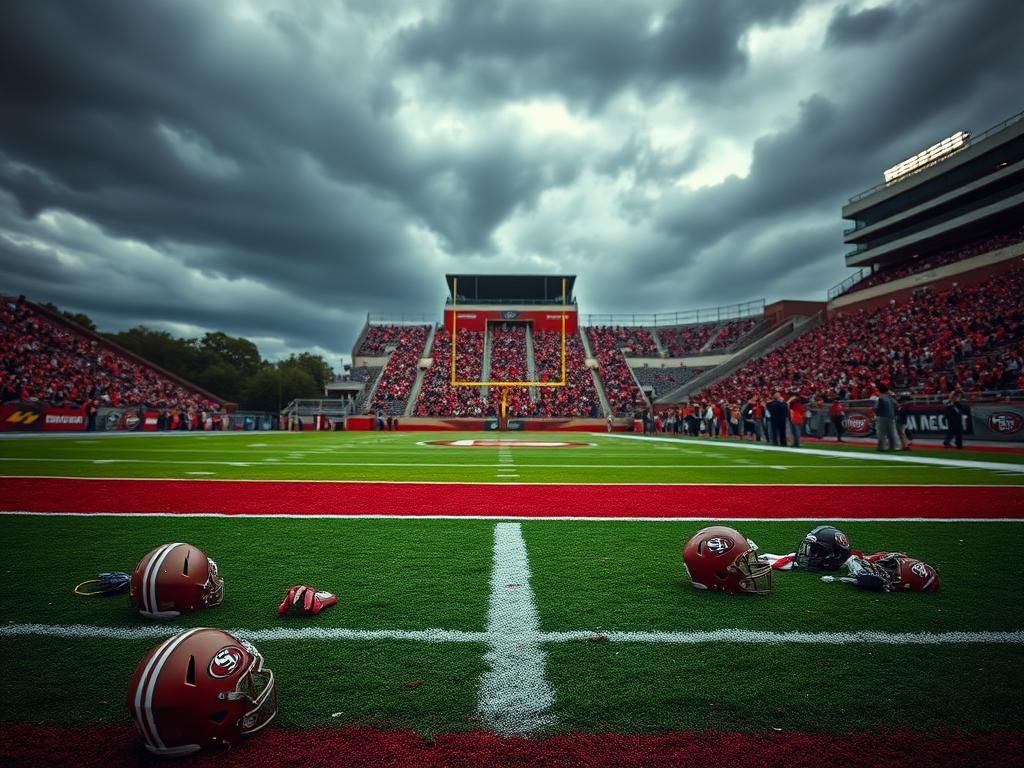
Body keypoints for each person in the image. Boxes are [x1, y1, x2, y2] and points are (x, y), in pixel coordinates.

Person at [874, 383, 898, 452]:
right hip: (891, 417)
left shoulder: (880, 398)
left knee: (881, 433)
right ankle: (894, 447)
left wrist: (876, 414)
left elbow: (876, 408)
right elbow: (896, 406)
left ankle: (882, 447)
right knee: (892, 433)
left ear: (879, 390)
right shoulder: (891, 398)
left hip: (882, 417)